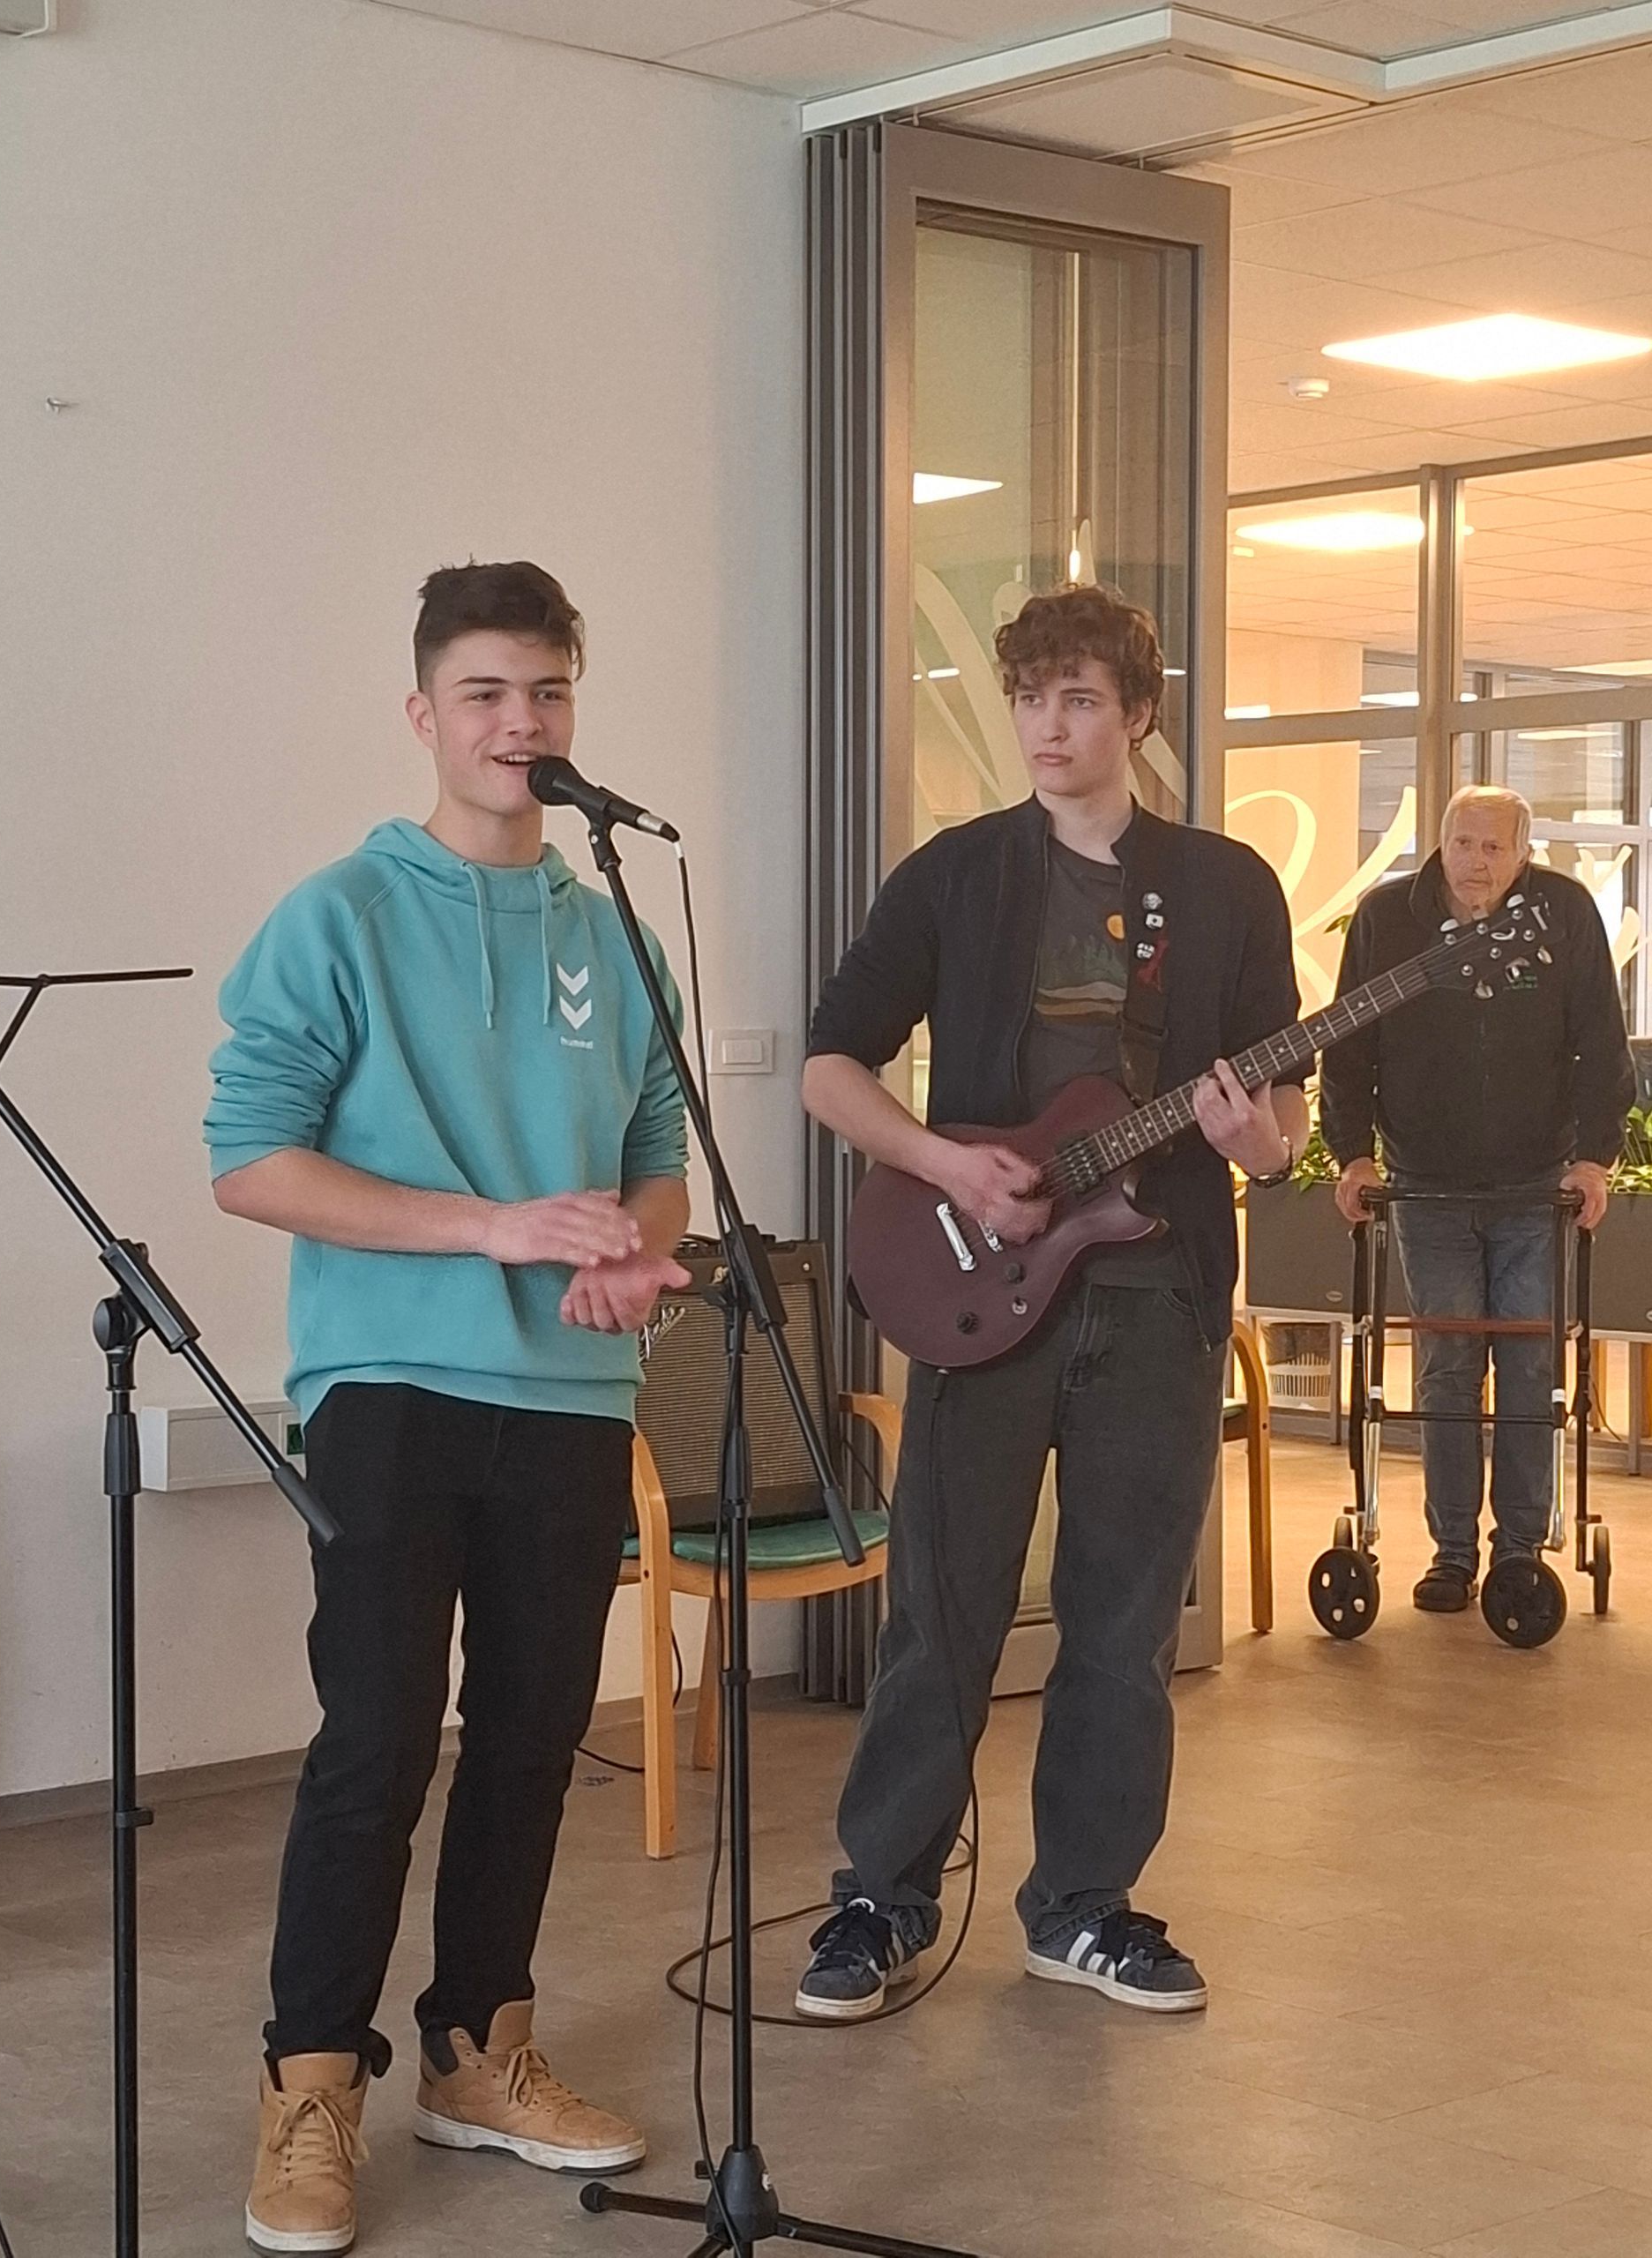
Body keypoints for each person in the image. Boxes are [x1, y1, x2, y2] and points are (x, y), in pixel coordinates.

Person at [206, 562, 691, 2257]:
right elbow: (251, 1164)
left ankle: (479, 2051)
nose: (521, 723)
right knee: (379, 1742)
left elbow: (655, 1152)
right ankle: (308, 2086)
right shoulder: (337, 914)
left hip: (572, 1395)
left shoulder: (611, 928)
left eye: (548, 691)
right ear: (424, 713)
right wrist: (492, 1227)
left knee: (538, 1735)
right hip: (390, 1388)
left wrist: (637, 1254)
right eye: (485, 692)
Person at [795, 584, 1309, 2022]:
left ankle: (1083, 1906)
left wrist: (1255, 1145)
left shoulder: (1226, 888)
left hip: (1158, 1299)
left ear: (1138, 716)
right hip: (984, 1291)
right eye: (1030, 698)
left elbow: (1279, 1126)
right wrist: (947, 1163)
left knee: (1123, 1621)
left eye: (1078, 699)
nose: (1046, 726)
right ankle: (882, 1898)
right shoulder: (956, 877)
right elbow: (832, 1066)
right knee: (941, 1612)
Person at [1322, 783, 1633, 1614]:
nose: (1476, 862)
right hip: (1423, 1182)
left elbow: (1600, 1043)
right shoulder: (1388, 919)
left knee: (1530, 1367)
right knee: (1448, 1367)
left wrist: (1594, 1160)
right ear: (1442, 841)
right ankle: (1451, 1552)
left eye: (1495, 847)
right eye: (1464, 843)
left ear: (1524, 854)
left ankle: (1519, 1551)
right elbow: (1348, 1047)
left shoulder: (1563, 915)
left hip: (1537, 1185)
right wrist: (1352, 1154)